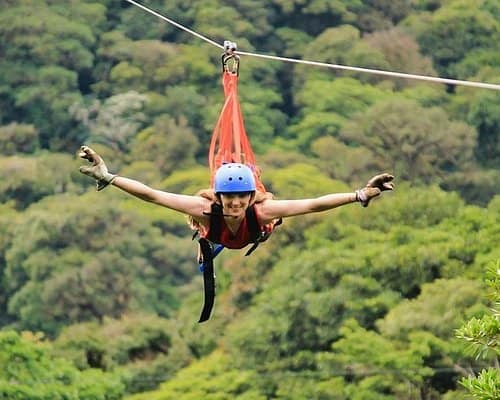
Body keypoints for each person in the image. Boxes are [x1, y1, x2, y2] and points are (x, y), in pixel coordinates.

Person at [78, 145, 395, 250]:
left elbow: (312, 204)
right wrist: (109, 177)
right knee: (204, 227)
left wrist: (359, 194)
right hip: (215, 234)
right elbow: (152, 195)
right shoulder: (205, 210)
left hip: (254, 234)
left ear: (250, 196)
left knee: (273, 217)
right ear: (219, 197)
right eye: (229, 199)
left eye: (241, 198)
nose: (235, 204)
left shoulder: (263, 211)